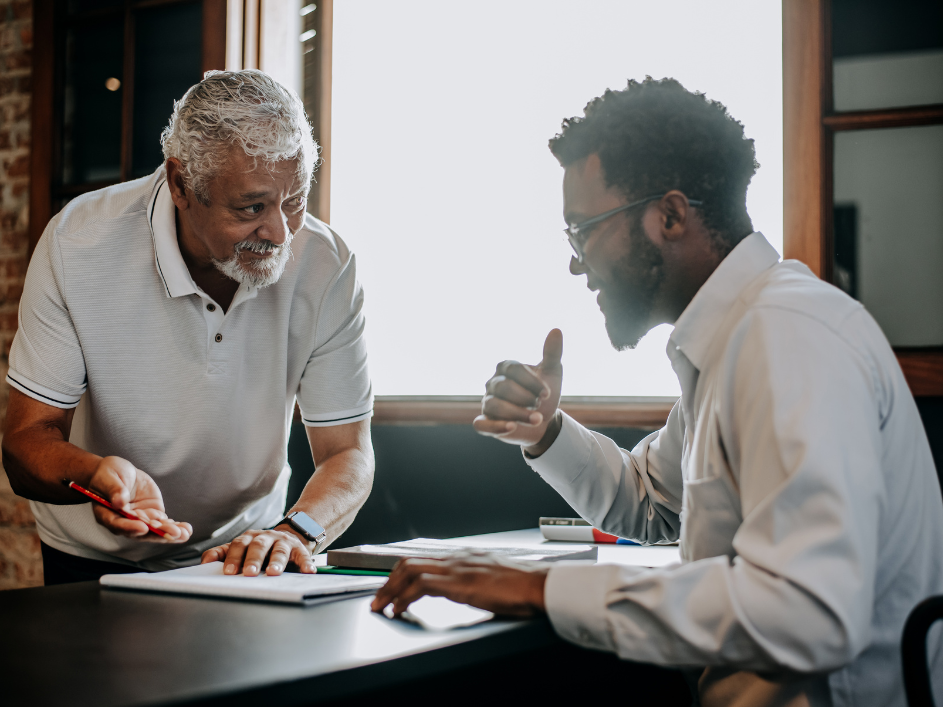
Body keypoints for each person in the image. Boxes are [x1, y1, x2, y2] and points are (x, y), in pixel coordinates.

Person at [372, 78, 943, 706]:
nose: (574, 261)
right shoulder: (734, 340)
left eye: (582, 230)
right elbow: (650, 504)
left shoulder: (786, 336)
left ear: (670, 216)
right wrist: (548, 432)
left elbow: (808, 611)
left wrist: (539, 590)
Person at [2, 70, 374, 584]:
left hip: (247, 550)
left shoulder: (326, 263)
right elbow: (24, 441)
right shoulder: (77, 243)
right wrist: (93, 478)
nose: (282, 233)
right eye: (252, 207)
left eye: (295, 199)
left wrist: (295, 532)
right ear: (180, 184)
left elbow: (348, 452)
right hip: (93, 560)